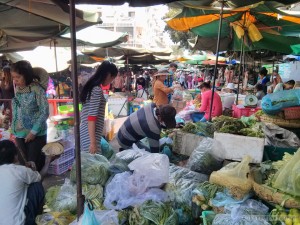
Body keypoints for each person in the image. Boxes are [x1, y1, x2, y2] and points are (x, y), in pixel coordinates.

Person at [0, 140, 52, 225]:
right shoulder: (19, 171)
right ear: (15, 155)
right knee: (36, 186)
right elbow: (39, 178)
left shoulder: (17, 170)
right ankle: (35, 220)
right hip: (17, 222)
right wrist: (48, 162)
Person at [11, 60, 49, 172]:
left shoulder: (37, 89)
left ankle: (36, 189)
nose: (15, 80)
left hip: (36, 135)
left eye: (18, 77)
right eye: (13, 78)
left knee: (34, 167)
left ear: (26, 75)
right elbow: (18, 109)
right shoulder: (18, 89)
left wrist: (33, 132)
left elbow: (45, 111)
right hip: (20, 134)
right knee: (24, 167)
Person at [80, 61, 118, 154]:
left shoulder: (92, 87)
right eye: (112, 78)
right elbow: (91, 117)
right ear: (108, 75)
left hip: (88, 132)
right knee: (93, 163)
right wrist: (93, 143)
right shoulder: (96, 90)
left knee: (91, 163)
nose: (111, 81)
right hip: (90, 134)